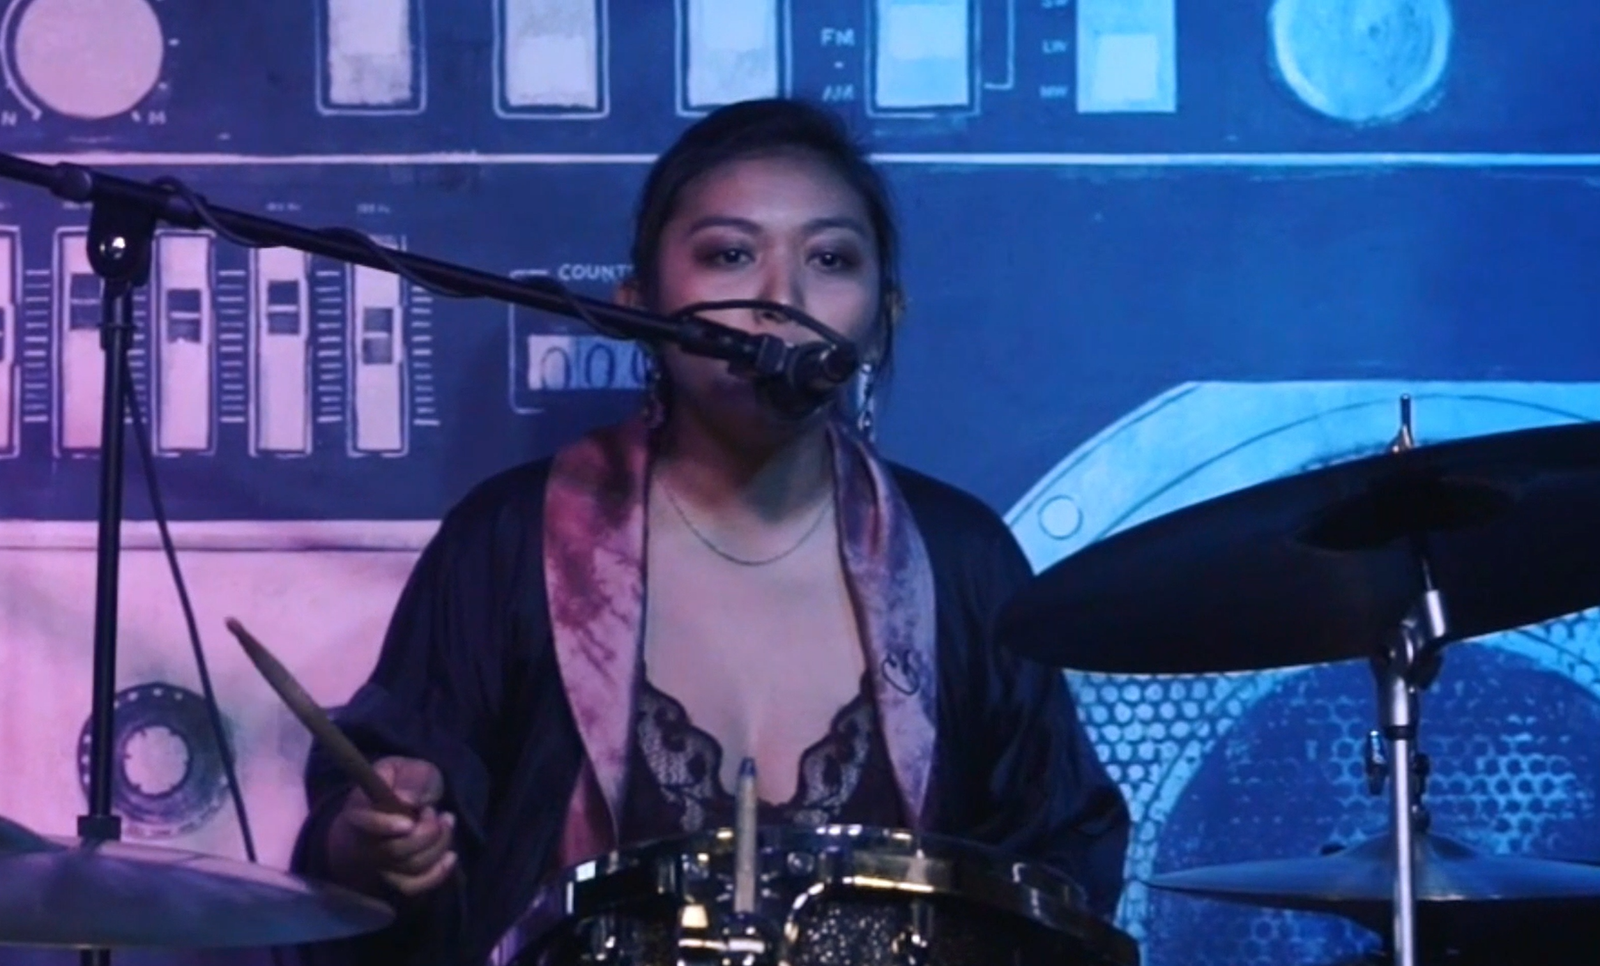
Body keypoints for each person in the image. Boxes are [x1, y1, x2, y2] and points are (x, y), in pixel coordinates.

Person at [289, 97, 1129, 966]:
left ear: (886, 315)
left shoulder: (961, 559)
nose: (780, 300)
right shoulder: (509, 542)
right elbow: (386, 842)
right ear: (637, 305)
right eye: (730, 254)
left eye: (830, 259)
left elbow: (1058, 864)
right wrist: (373, 845)